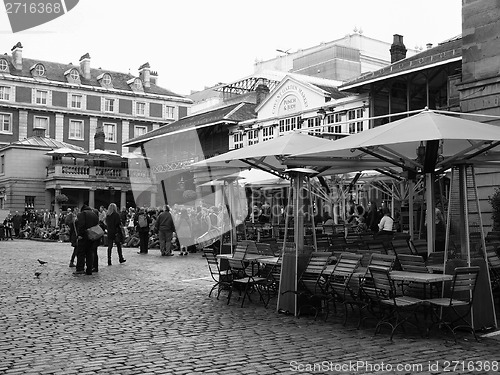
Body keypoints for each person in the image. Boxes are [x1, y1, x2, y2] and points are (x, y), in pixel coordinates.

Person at [75, 203, 100, 275]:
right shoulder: (94, 214)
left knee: (81, 253)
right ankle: (89, 269)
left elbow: (81, 225)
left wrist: (80, 235)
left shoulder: (82, 214)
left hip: (84, 236)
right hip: (92, 235)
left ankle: (80, 268)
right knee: (90, 252)